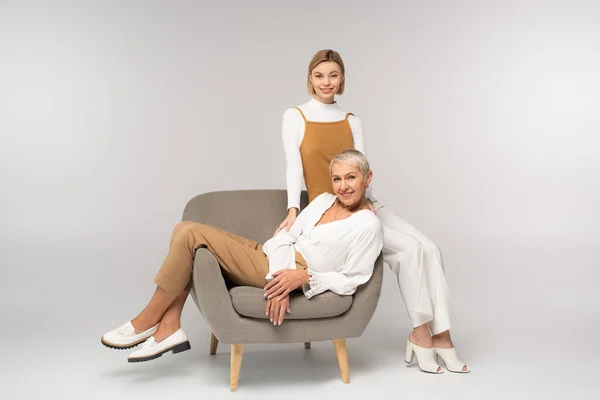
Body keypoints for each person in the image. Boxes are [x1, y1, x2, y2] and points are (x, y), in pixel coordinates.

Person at [274, 49, 469, 374]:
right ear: (310, 78)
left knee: (430, 248)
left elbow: (362, 168)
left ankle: (443, 338)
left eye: (333, 75)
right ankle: (422, 336)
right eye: (319, 75)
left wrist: (369, 207)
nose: (326, 82)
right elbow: (294, 165)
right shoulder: (295, 116)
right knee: (409, 251)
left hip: (364, 204)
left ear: (342, 79)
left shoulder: (353, 120)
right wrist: (294, 208)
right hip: (332, 210)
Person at [101, 149, 383, 363]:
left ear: (366, 178)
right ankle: (170, 325)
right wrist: (278, 272)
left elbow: (352, 279)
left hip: (289, 268)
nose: (343, 186)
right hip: (269, 253)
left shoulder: (367, 225)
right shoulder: (323, 200)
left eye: (351, 178)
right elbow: (286, 235)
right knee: (185, 234)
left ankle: (147, 321)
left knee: (188, 233)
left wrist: (301, 278)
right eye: (337, 178)